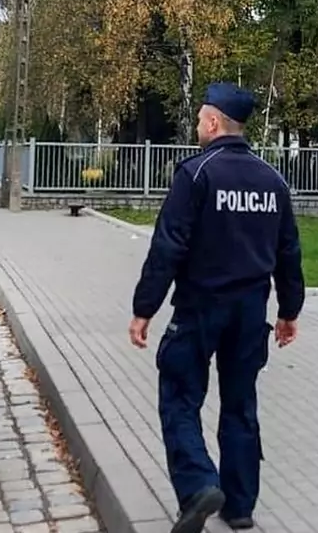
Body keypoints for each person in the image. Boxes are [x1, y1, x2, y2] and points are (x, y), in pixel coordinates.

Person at [127, 81, 305, 533]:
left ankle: (199, 485)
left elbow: (169, 246)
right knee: (241, 404)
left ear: (212, 122)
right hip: (250, 311)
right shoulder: (273, 180)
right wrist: (289, 312)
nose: (197, 126)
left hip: (201, 306)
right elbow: (289, 253)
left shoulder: (197, 174)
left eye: (200, 119)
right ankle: (240, 506)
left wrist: (144, 308)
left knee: (180, 397)